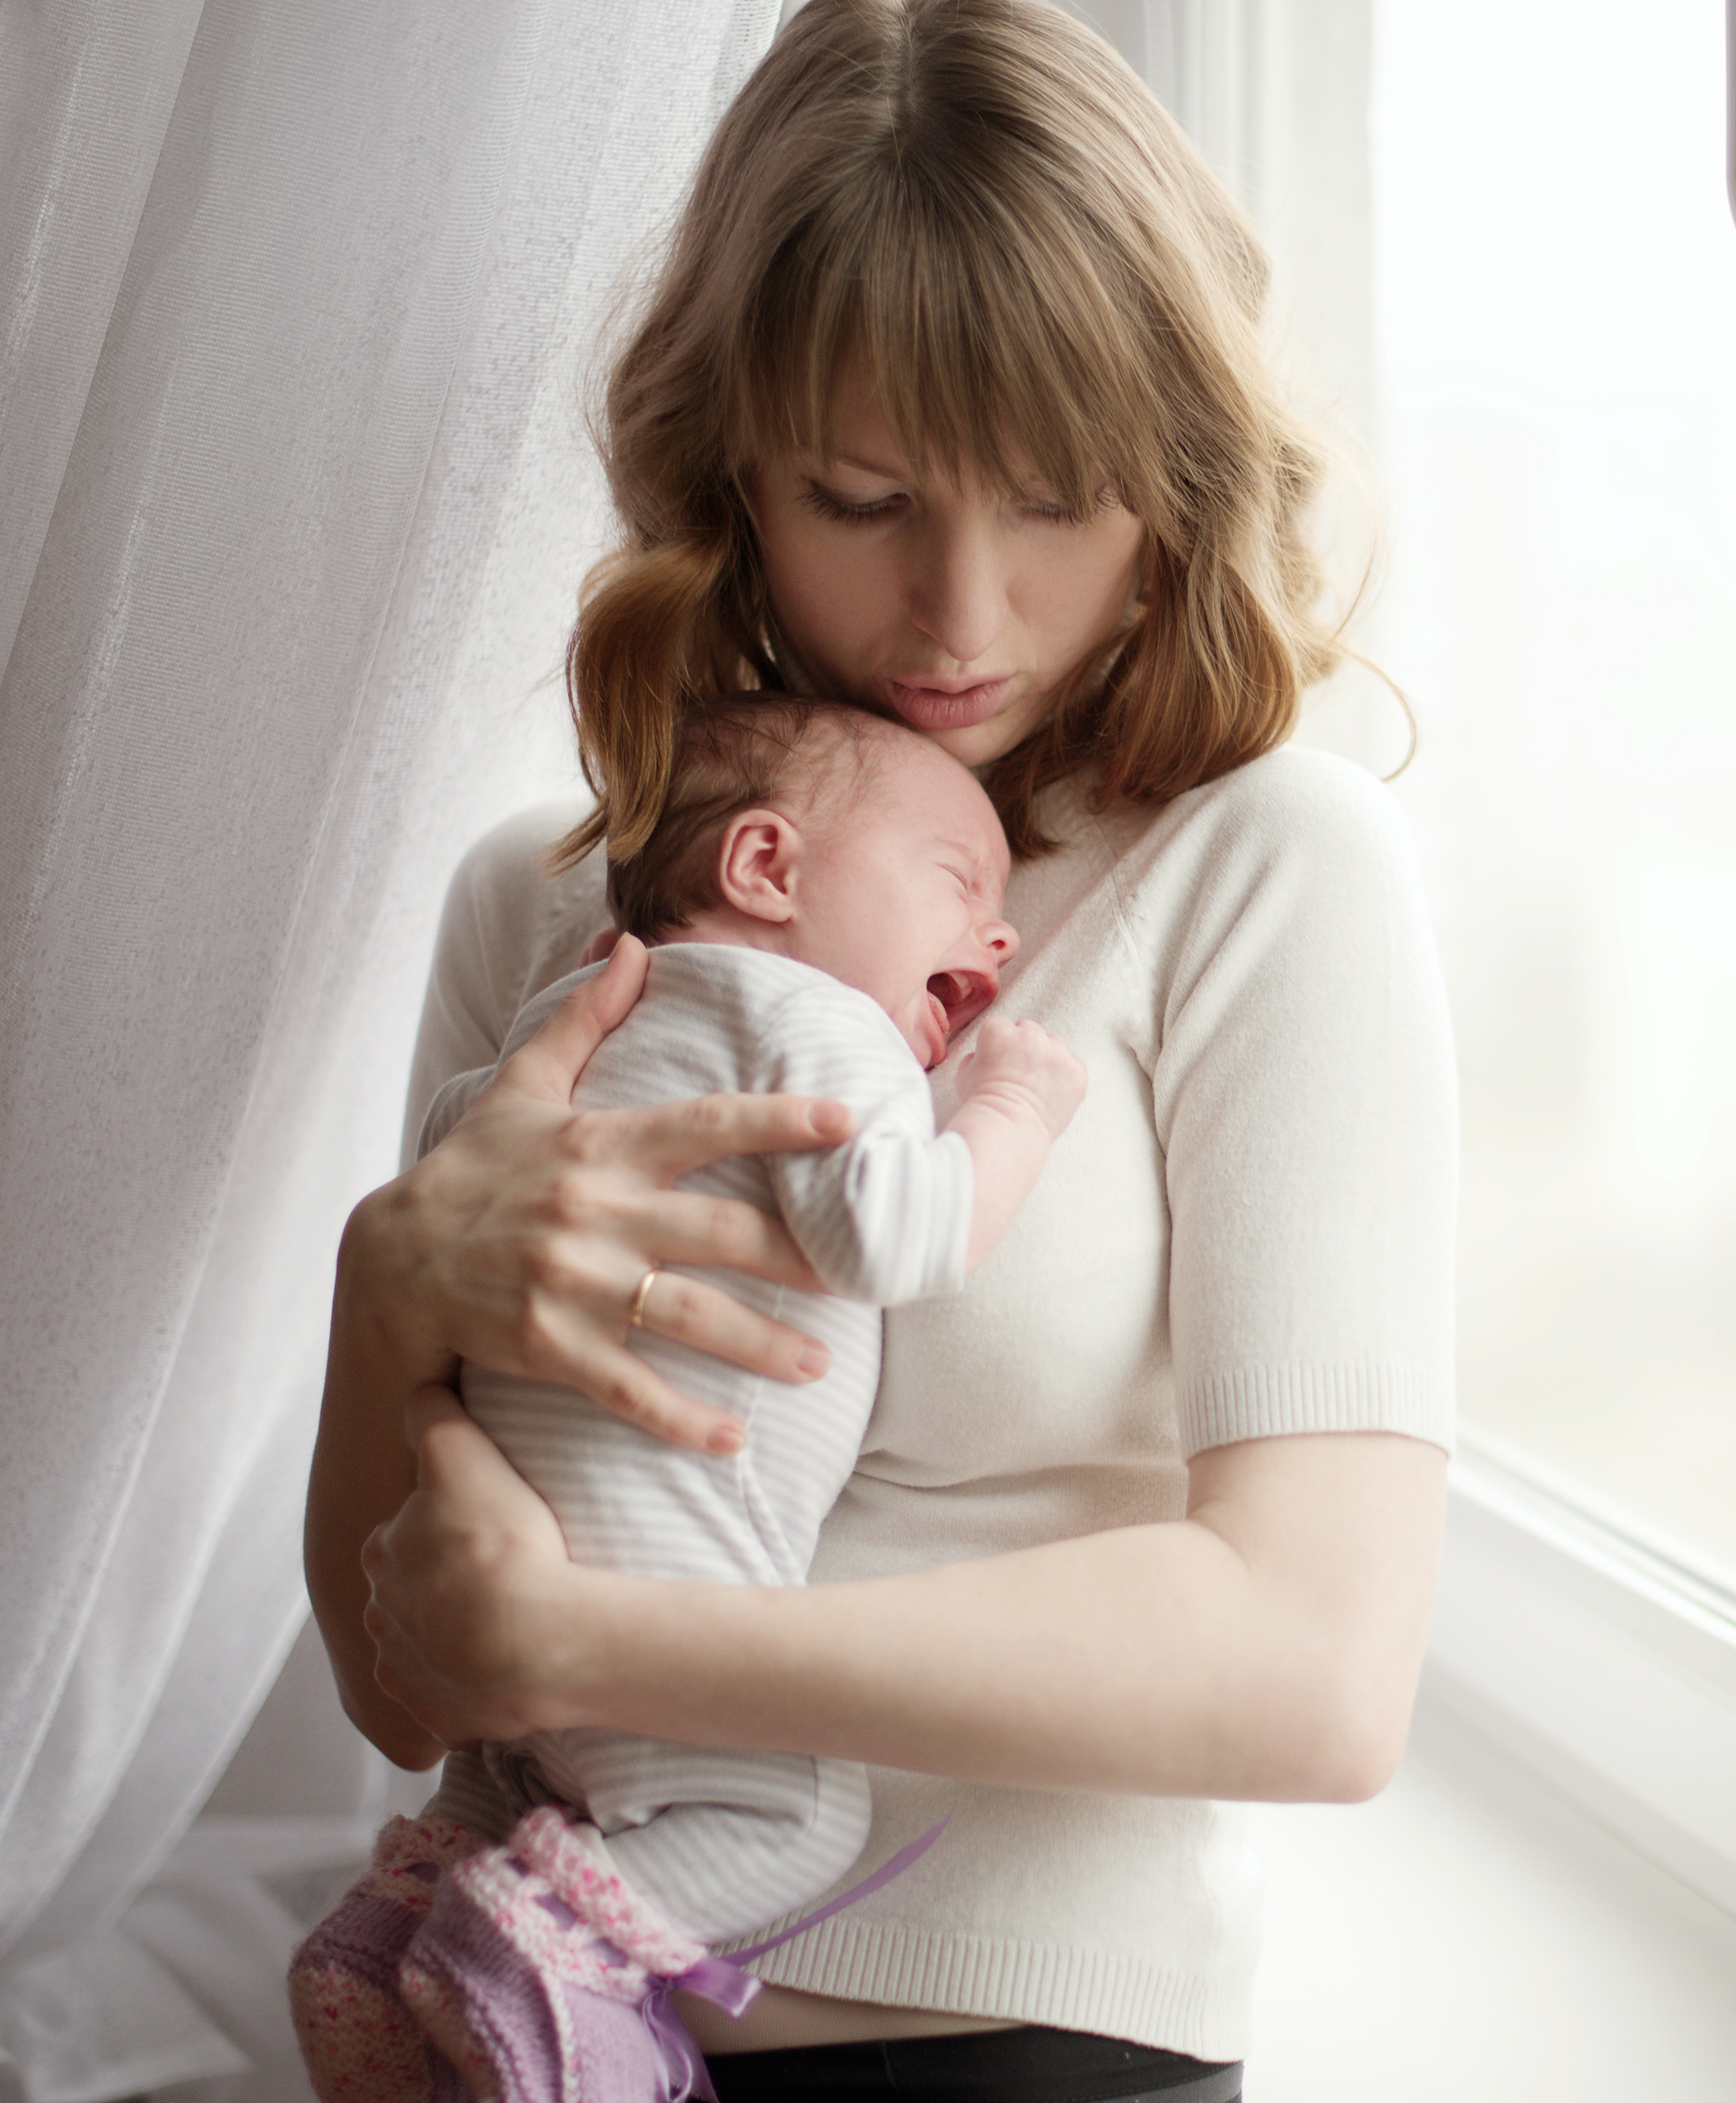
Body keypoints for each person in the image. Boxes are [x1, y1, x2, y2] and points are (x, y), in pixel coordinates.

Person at [302, 1, 1457, 2096]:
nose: (960, 612)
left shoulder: (1270, 868)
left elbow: (1318, 1674)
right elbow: (404, 1682)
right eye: (862, 497)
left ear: (1177, 480)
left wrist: (611, 1646)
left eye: (1058, 503)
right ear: (728, 463)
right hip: (509, 2033)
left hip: (1023, 2043)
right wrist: (385, 1284)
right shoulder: (544, 912)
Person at [290, 699, 1086, 2103]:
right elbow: (895, 1237)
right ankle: (528, 1956)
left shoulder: (566, 1018)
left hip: (499, 1543)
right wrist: (1007, 1111)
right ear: (769, 870)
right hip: (666, 1543)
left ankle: (398, 1916)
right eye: (962, 885)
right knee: (790, 1806)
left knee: (519, 1779)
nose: (1000, 936)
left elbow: (441, 1191)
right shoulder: (826, 1023)